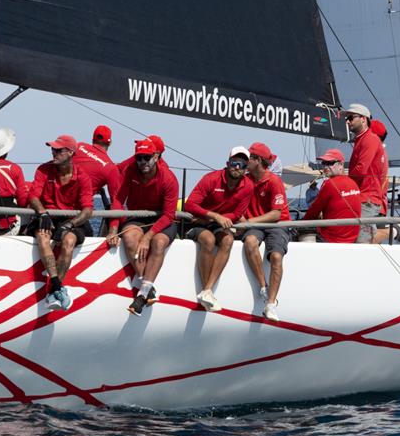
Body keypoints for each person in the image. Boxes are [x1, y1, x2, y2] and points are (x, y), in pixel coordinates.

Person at [108, 138, 179, 317]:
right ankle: (148, 289)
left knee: (159, 242)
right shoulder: (130, 170)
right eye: (139, 158)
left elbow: (169, 215)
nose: (142, 162)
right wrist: (113, 229)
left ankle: (140, 297)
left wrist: (147, 237)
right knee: (130, 238)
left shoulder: (168, 178)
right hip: (138, 217)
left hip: (162, 219)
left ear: (156, 157)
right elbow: (118, 199)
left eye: (146, 158)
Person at [28, 134, 94, 312]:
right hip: (48, 215)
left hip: (70, 220)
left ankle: (52, 292)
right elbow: (33, 196)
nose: (53, 152)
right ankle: (57, 287)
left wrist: (69, 225)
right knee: (42, 237)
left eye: (58, 150)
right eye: (52, 149)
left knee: (69, 241)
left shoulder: (83, 177)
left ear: (71, 153)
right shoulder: (43, 169)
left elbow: (87, 210)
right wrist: (42, 213)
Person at [184, 146, 254, 311]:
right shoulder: (211, 178)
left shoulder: (248, 186)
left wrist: (221, 218)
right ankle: (206, 291)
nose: (237, 167)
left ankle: (207, 291)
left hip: (218, 223)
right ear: (227, 163)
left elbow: (238, 213)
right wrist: (215, 216)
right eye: (235, 163)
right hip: (197, 222)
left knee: (228, 240)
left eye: (242, 165)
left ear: (246, 169)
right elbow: (190, 205)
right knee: (208, 240)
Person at [239, 142, 291, 322]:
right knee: (250, 242)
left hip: (277, 224)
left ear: (258, 160)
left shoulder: (274, 181)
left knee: (276, 256)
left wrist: (249, 221)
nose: (245, 162)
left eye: (249, 158)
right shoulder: (245, 179)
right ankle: (263, 287)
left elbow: (276, 214)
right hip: (256, 225)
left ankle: (271, 304)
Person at [344, 103, 387, 243]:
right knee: (360, 240)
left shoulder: (369, 139)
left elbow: (361, 170)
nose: (347, 121)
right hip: (362, 198)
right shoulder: (362, 139)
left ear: (363, 119)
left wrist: (342, 183)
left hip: (367, 199)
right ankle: (391, 232)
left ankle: (391, 232)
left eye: (350, 118)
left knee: (362, 242)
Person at [369, 120, 400, 245]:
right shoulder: (380, 152)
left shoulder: (374, 153)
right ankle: (393, 231)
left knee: (367, 240)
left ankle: (394, 231)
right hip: (377, 203)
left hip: (373, 203)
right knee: (371, 245)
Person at [303, 149, 361, 243]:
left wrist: (301, 223)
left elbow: (313, 212)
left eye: (330, 163)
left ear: (341, 165)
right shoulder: (353, 183)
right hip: (352, 239)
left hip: (331, 239)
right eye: (324, 163)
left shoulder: (330, 184)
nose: (326, 167)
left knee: (294, 235)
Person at [74, 124, 122, 210]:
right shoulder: (111, 168)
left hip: (56, 201)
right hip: (77, 210)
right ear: (110, 142)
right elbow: (116, 202)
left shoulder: (79, 145)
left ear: (92, 139)